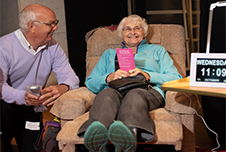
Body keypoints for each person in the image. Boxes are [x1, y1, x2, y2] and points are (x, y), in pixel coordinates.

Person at [77, 14, 182, 152]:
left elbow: (175, 77)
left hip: (147, 91)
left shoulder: (158, 51)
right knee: (106, 93)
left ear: (144, 32)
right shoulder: (109, 53)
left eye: (137, 28)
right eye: (127, 29)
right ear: (121, 33)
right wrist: (109, 77)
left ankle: (128, 138)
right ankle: (97, 140)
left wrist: (148, 75)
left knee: (135, 95)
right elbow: (90, 82)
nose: (132, 32)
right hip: (116, 90)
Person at [0, 4, 79, 152]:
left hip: (32, 108)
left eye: (55, 23)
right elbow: (1, 87)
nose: (55, 28)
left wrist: (64, 87)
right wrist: (23, 96)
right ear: (32, 26)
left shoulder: (53, 46)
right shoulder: (3, 47)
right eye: (51, 24)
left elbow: (71, 77)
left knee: (33, 149)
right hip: (6, 108)